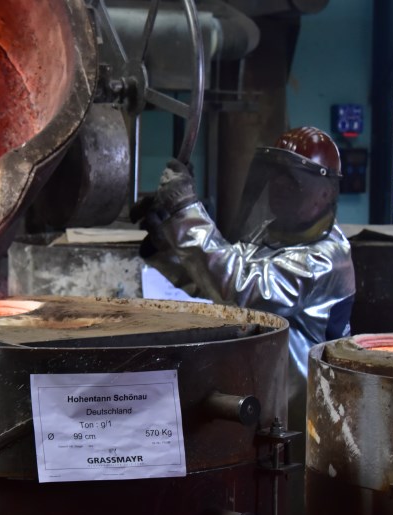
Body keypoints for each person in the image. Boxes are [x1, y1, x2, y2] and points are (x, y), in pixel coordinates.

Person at [131, 126, 355, 432]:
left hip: (303, 414)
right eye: (276, 176)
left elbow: (246, 290)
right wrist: (165, 244)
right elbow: (211, 282)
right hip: (265, 396)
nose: (279, 187)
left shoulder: (327, 256)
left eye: (292, 180)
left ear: (326, 192)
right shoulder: (273, 235)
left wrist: (186, 212)